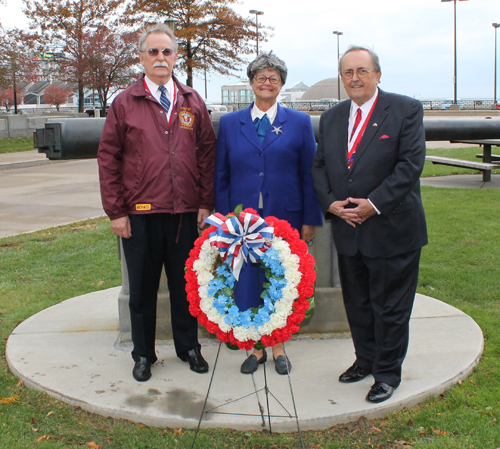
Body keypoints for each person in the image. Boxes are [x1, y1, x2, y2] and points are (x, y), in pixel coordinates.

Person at [98, 24, 216, 382]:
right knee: (143, 290)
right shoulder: (124, 102)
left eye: (167, 52)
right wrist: (116, 211)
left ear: (176, 57)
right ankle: (143, 354)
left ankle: (188, 347)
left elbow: (207, 153)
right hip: (140, 215)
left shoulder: (192, 101)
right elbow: (108, 157)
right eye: (153, 52)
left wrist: (205, 202)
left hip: (183, 213)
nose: (160, 58)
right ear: (142, 57)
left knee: (185, 287)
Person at [312, 46, 427, 403]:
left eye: (362, 70)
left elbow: (409, 166)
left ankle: (388, 373)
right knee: (358, 305)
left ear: (377, 74)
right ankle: (365, 360)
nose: (355, 78)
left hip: (392, 230)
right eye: (347, 72)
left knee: (390, 307)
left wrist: (373, 205)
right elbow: (318, 167)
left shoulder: (405, 110)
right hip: (348, 231)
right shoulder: (331, 118)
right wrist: (330, 203)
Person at [215, 51, 323, 375]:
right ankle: (256, 349)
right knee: (247, 281)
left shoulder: (300, 123)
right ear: (251, 83)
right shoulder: (231, 124)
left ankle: (279, 349)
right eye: (261, 77)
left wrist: (310, 219)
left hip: (286, 218)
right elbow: (221, 175)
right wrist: (223, 220)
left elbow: (310, 174)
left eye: (273, 78)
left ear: (281, 85)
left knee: (281, 281)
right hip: (242, 221)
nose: (266, 82)